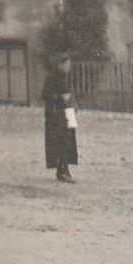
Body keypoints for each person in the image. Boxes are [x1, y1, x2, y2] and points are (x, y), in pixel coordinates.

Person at [43, 53, 78, 183]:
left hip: (67, 111)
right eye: (67, 64)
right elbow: (45, 94)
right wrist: (59, 97)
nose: (69, 67)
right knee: (60, 141)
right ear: (60, 64)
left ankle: (64, 169)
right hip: (56, 114)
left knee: (68, 140)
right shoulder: (52, 77)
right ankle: (62, 171)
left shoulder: (64, 77)